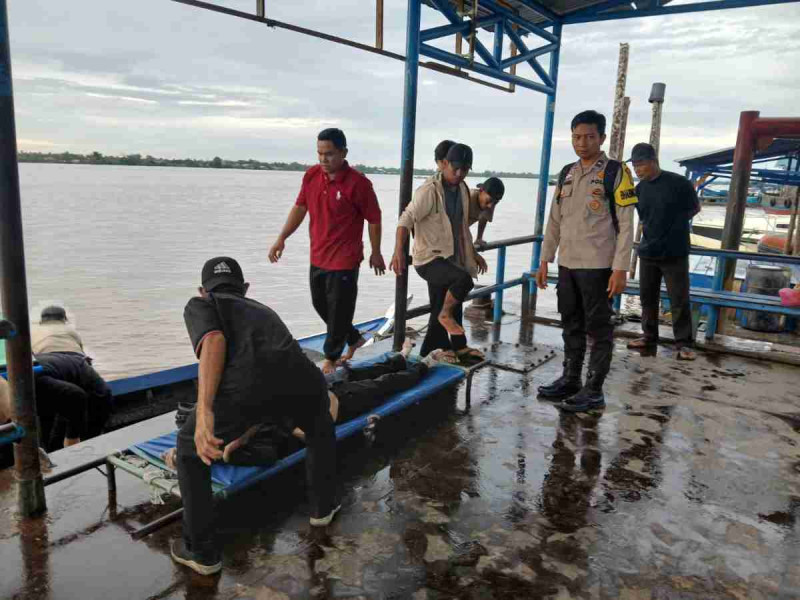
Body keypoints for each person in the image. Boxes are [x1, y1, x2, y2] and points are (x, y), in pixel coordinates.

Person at [171, 257, 338, 576]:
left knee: (189, 451)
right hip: (302, 380)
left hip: (245, 388)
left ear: (202, 289)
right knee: (319, 427)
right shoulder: (263, 310)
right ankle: (323, 509)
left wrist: (204, 410)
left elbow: (214, 341)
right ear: (245, 289)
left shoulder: (202, 302)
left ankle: (200, 551)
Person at [535, 110, 637, 412]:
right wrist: (544, 260)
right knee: (571, 324)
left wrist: (621, 268)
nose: (582, 142)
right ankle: (570, 379)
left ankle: (594, 390)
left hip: (598, 266)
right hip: (567, 264)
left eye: (589, 137)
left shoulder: (616, 172)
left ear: (601, 138)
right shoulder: (567, 172)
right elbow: (554, 220)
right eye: (577, 137)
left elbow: (626, 223)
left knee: (599, 329)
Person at [268, 128, 385, 374]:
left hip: (345, 258)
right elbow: (300, 208)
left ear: (343, 153)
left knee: (339, 308)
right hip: (318, 255)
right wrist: (282, 238)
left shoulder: (359, 183)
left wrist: (376, 252)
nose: (323, 159)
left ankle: (331, 358)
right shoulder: (311, 176)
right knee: (320, 303)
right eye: (320, 153)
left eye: (329, 154)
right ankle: (353, 337)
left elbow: (374, 219)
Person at [390, 143, 488, 362]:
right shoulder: (429, 190)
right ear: (445, 164)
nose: (459, 174)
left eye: (465, 169)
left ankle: (444, 349)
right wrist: (398, 251)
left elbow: (461, 227)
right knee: (463, 283)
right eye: (455, 169)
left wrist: (472, 252)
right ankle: (445, 337)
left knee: (443, 305)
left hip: (450, 257)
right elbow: (406, 219)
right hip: (428, 259)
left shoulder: (462, 189)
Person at [625, 143, 701, 360]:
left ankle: (684, 344)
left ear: (653, 161)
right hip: (648, 251)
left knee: (679, 299)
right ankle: (649, 337)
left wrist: (673, 226)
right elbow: (637, 215)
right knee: (647, 298)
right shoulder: (639, 189)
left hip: (675, 252)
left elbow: (694, 208)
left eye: (641, 164)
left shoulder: (679, 183)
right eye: (635, 166)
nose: (638, 170)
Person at [31, 306, 113, 445]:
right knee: (102, 395)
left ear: (41, 321)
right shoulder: (70, 330)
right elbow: (83, 355)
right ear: (64, 319)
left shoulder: (32, 331)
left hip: (42, 365)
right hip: (74, 361)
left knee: (58, 407)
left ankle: (52, 445)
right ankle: (90, 438)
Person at [471, 177, 505, 246]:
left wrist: (479, 238)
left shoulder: (490, 203)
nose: (490, 206)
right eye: (488, 201)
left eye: (495, 202)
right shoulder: (467, 198)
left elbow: (484, 218)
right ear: (481, 191)